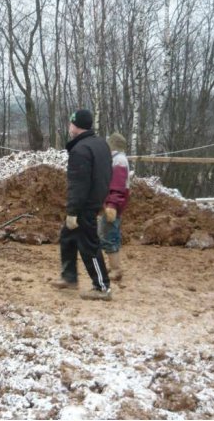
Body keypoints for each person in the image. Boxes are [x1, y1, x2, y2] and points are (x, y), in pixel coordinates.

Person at [52, 109, 113, 301]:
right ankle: (69, 277)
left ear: (75, 126)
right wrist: (103, 200)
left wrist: (72, 212)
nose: (69, 127)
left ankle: (102, 286)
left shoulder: (80, 151)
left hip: (84, 206)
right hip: (94, 201)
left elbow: (78, 185)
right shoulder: (101, 144)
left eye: (71, 124)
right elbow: (105, 175)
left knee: (89, 245)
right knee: (67, 237)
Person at [99, 132, 130, 281]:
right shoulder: (117, 159)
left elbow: (118, 186)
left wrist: (111, 205)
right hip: (113, 203)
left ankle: (115, 270)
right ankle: (113, 267)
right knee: (108, 234)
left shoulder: (119, 161)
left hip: (113, 205)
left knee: (108, 235)